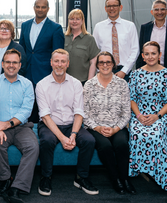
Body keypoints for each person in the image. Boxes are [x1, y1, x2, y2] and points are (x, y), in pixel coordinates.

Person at [35, 49, 97, 196]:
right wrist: (63, 138)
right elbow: (45, 116)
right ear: (51, 63)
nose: (59, 64)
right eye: (56, 61)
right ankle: (46, 177)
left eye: (63, 61)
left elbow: (78, 112)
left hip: (71, 124)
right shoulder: (41, 85)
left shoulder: (76, 84)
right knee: (47, 140)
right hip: (49, 124)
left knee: (89, 140)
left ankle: (81, 177)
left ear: (68, 64)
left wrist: (74, 134)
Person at [0, 49, 38, 203]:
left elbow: (26, 111)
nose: (11, 65)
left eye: (14, 62)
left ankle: (17, 187)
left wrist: (7, 125)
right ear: (2, 64)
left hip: (21, 127)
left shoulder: (27, 84)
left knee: (33, 147)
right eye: (8, 62)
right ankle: (6, 179)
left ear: (20, 65)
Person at [83, 51, 135, 195]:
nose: (105, 65)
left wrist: (116, 129)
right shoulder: (89, 84)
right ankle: (116, 179)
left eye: (108, 62)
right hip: (95, 127)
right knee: (105, 146)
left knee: (122, 144)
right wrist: (98, 127)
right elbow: (84, 113)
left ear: (113, 64)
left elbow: (126, 112)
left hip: (117, 126)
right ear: (98, 65)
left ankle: (125, 179)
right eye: (101, 62)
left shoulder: (122, 84)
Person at [128, 41, 167, 191]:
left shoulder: (165, 74)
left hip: (160, 114)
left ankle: (159, 174)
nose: (150, 56)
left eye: (154, 53)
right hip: (139, 114)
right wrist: (138, 116)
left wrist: (157, 116)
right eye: (147, 54)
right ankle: (142, 170)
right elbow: (132, 99)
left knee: (156, 134)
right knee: (137, 134)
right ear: (143, 56)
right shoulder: (136, 74)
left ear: (159, 55)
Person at [19, 0, 64, 123]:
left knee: (44, 105)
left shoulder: (56, 28)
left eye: (43, 7)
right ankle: (29, 131)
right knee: (28, 104)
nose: (40, 9)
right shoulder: (25, 25)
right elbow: (21, 50)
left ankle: (44, 131)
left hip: (45, 72)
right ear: (34, 7)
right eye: (38, 6)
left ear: (48, 9)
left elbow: (58, 54)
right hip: (27, 72)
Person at [93, 0, 139, 81]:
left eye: (114, 6)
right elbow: (95, 51)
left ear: (120, 8)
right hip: (104, 71)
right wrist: (100, 70)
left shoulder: (130, 26)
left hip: (125, 72)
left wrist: (124, 71)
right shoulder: (98, 27)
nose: (111, 8)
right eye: (109, 6)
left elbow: (135, 50)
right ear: (105, 8)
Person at [64, 9, 100, 84]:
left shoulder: (89, 39)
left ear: (82, 21)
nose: (74, 21)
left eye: (77, 19)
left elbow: (93, 63)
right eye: (72, 19)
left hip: (82, 81)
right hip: (64, 81)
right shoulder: (63, 37)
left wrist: (89, 83)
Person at [136, 0, 167, 68]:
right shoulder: (145, 27)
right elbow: (141, 49)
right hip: (149, 70)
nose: (159, 12)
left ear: (166, 11)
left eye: (162, 9)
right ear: (152, 12)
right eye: (156, 10)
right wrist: (139, 69)